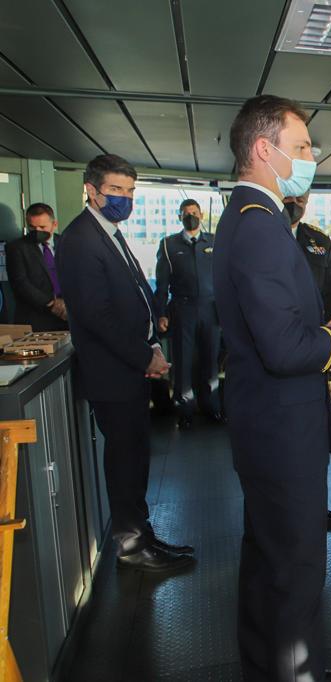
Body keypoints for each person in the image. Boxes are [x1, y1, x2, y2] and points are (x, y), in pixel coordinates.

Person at [213, 94, 331, 682]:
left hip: (265, 422)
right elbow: (283, 349)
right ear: (263, 149)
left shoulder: (252, 218)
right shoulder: (261, 228)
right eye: (301, 147)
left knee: (266, 564)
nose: (311, 157)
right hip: (282, 430)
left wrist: (320, 330)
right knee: (295, 572)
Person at [56, 154, 194, 573]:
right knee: (124, 461)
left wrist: (151, 341)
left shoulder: (108, 233)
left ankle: (143, 533)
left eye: (130, 191)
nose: (125, 198)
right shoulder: (80, 240)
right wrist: (145, 356)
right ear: (91, 190)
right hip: (112, 373)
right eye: (116, 190)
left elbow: (134, 295)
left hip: (128, 367)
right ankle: (132, 545)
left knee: (136, 457)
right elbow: (97, 316)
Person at [282, 191, 331, 532]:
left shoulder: (319, 241)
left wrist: (330, 330)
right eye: (291, 196)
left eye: (303, 199)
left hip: (316, 348)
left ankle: (315, 505)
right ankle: (287, 510)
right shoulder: (263, 234)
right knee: (283, 439)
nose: (296, 204)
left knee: (315, 435)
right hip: (278, 348)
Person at [154, 199, 222, 430]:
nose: (190, 216)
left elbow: (225, 278)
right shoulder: (168, 245)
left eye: (194, 212)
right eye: (186, 213)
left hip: (211, 309)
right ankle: (185, 410)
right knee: (182, 362)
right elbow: (161, 286)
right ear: (180, 217)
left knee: (211, 360)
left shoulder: (215, 241)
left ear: (201, 215)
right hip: (183, 310)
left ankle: (212, 406)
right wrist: (161, 314)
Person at [5, 202, 68, 331]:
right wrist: (52, 303)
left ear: (54, 225)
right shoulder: (16, 248)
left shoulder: (68, 243)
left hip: (68, 317)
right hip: (36, 320)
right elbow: (20, 283)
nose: (37, 231)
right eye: (32, 228)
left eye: (42, 227)